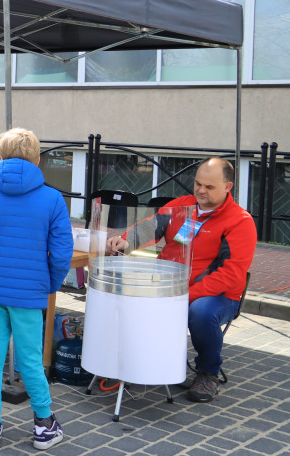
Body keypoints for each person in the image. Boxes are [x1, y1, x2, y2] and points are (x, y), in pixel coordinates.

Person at [105, 157, 255, 403]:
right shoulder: (182, 206)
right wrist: (125, 240)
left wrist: (186, 294)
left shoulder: (240, 221)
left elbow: (230, 274)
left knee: (202, 312)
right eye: (197, 184)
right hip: (171, 286)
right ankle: (131, 361)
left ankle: (208, 371)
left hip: (217, 296)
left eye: (209, 187)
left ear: (228, 187)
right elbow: (148, 228)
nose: (200, 191)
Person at [0, 128, 72, 451]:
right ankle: (43, 424)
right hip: (30, 295)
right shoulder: (52, 199)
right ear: (38, 160)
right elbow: (62, 253)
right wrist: (47, 285)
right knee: (31, 360)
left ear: (0, 157)